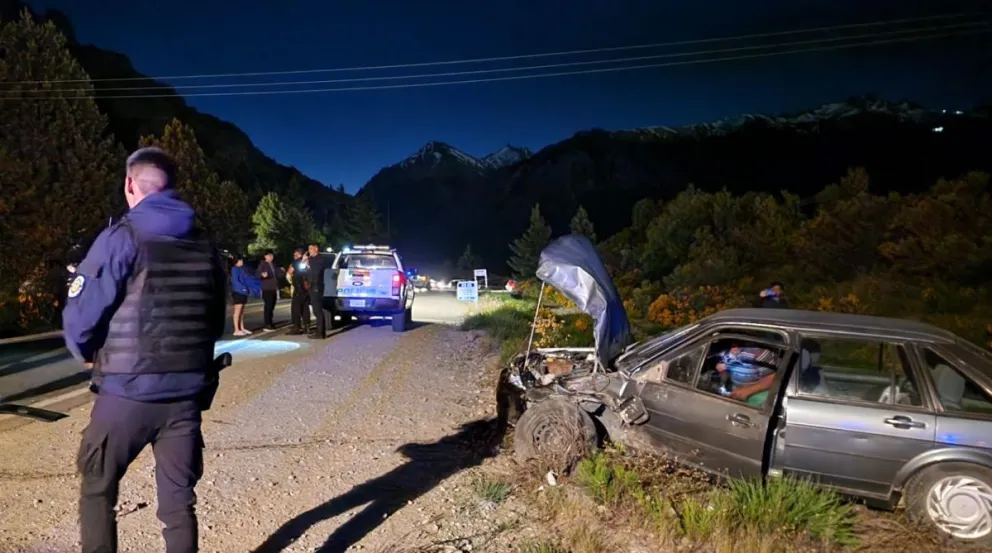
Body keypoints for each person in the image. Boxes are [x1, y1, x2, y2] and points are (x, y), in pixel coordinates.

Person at [63, 147, 228, 553]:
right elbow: (213, 317)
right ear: (171, 187)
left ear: (130, 185)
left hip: (126, 392)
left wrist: (84, 350)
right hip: (186, 396)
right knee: (178, 505)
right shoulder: (205, 246)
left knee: (98, 489)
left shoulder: (123, 236)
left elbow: (84, 312)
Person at [229, 255, 260, 336]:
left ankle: (242, 328)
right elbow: (235, 281)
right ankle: (236, 330)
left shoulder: (240, 269)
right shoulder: (234, 269)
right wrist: (243, 288)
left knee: (242, 312)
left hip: (243, 292)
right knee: (237, 312)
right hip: (238, 292)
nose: (242, 262)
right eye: (241, 260)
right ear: (237, 261)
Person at [305, 242, 328, 339]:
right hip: (310, 286)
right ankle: (319, 331)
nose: (308, 251)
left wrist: (308, 265)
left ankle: (320, 333)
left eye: (310, 248)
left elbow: (316, 272)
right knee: (315, 310)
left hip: (316, 286)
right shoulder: (310, 259)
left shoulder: (320, 259)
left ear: (316, 249)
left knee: (318, 310)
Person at [255, 250, 282, 330]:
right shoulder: (262, 265)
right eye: (269, 256)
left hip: (274, 288)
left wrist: (281, 272)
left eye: (272, 256)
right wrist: (262, 275)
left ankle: (270, 322)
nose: (271, 257)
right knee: (268, 307)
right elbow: (257, 275)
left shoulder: (273, 265)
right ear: (265, 256)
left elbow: (278, 274)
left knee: (272, 306)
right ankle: (267, 324)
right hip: (267, 289)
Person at [286, 248, 311, 335]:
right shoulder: (309, 261)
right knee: (305, 308)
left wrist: (291, 281)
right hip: (307, 289)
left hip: (298, 288)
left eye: (295, 255)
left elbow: (289, 273)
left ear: (299, 254)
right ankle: (307, 326)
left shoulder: (296, 262)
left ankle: (297, 327)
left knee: (295, 308)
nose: (294, 256)